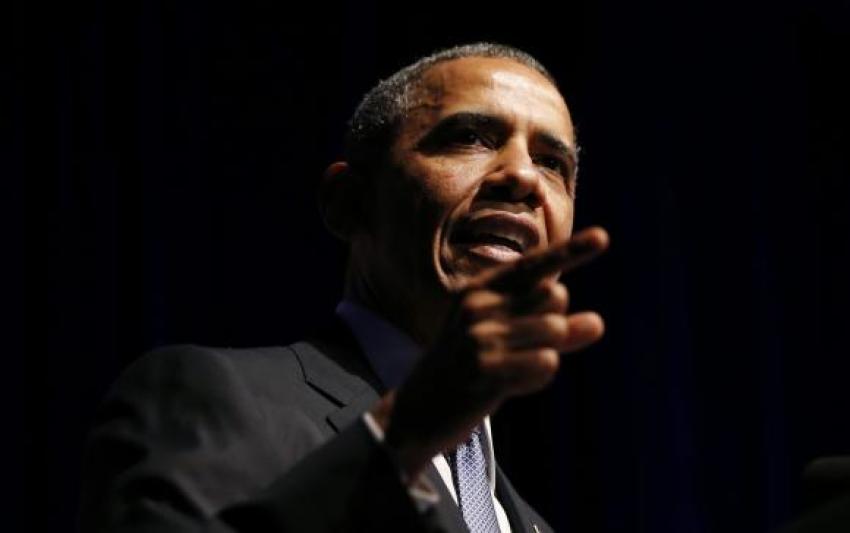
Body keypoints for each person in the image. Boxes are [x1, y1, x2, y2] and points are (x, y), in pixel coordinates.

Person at [79, 43, 610, 533]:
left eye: (552, 163)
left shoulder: (530, 524)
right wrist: (404, 433)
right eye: (469, 137)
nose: (522, 175)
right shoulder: (208, 395)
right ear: (348, 202)